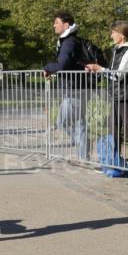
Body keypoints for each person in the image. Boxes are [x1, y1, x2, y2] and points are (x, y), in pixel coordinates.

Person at [85, 20, 128, 173]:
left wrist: (100, 69)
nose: (111, 35)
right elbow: (112, 75)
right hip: (116, 95)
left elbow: (119, 75)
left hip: (126, 96)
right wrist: (99, 70)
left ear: (121, 35)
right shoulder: (118, 49)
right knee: (113, 130)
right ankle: (114, 163)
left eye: (113, 33)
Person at [43, 10, 89, 161]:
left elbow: (62, 65)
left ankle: (84, 149)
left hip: (74, 88)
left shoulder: (69, 42)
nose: (53, 25)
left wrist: (47, 67)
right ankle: (83, 155)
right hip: (77, 87)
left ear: (66, 25)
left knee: (63, 122)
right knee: (78, 123)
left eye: (56, 22)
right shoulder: (72, 41)